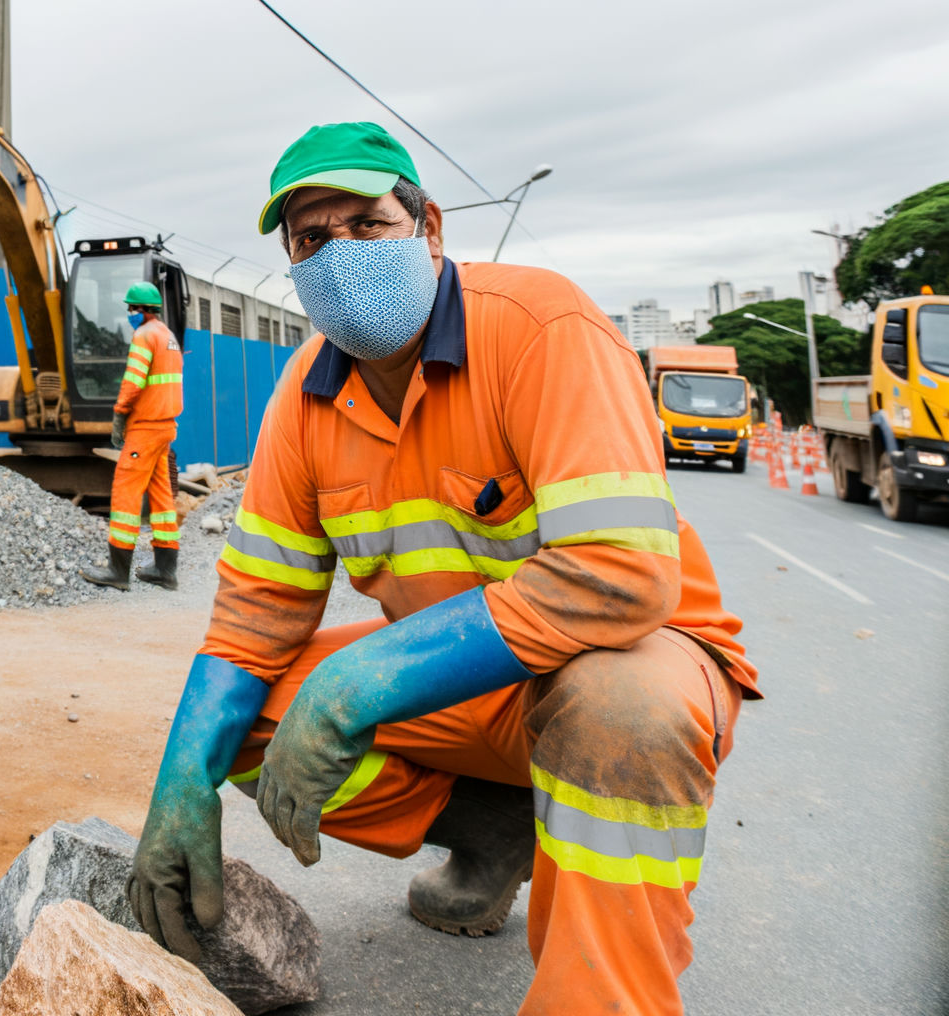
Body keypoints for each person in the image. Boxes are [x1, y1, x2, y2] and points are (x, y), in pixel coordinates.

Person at [126, 122, 758, 1014]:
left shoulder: (545, 330)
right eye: (311, 239)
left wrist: (359, 679)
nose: (338, 254)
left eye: (367, 225)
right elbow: (253, 618)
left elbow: (621, 573)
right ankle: (497, 829)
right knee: (244, 721)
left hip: (633, 659)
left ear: (430, 231)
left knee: (625, 708)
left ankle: (599, 998)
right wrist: (178, 785)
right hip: (472, 685)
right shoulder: (304, 401)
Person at [80, 281, 184, 591]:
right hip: (166, 426)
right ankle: (165, 570)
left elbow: (134, 381)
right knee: (162, 496)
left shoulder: (143, 336)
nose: (128, 314)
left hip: (146, 427)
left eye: (131, 308)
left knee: (125, 491)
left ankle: (117, 570)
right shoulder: (168, 336)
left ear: (141, 310)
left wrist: (119, 413)